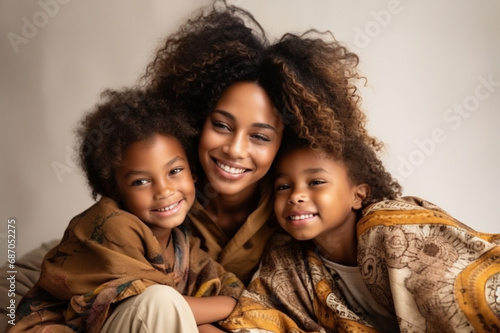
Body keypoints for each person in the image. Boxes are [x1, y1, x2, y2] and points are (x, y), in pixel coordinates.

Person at [220, 34, 500, 333]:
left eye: (315, 181)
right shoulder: (287, 262)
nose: (296, 196)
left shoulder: (394, 230)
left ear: (359, 194)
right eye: (283, 186)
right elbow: (253, 318)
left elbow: (469, 296)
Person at [141, 0, 367, 284]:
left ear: (286, 141)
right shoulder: (152, 193)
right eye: (221, 125)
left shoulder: (298, 209)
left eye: (259, 137)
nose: (235, 149)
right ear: (195, 120)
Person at [8, 89, 244, 333]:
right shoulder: (112, 227)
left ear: (192, 171)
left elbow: (227, 286)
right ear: (114, 189)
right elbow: (167, 306)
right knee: (160, 302)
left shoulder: (181, 242)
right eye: (140, 182)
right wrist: (227, 306)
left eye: (174, 171)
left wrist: (226, 306)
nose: (164, 190)